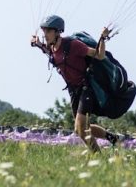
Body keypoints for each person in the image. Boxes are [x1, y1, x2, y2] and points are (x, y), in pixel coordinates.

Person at [31, 14, 120, 152]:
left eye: (48, 31)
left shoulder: (73, 45)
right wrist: (38, 45)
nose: (45, 34)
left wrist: (102, 38)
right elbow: (50, 53)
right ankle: (112, 138)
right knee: (81, 129)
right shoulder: (53, 49)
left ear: (57, 32)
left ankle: (97, 157)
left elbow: (99, 55)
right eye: (44, 31)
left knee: (81, 128)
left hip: (86, 88)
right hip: (73, 91)